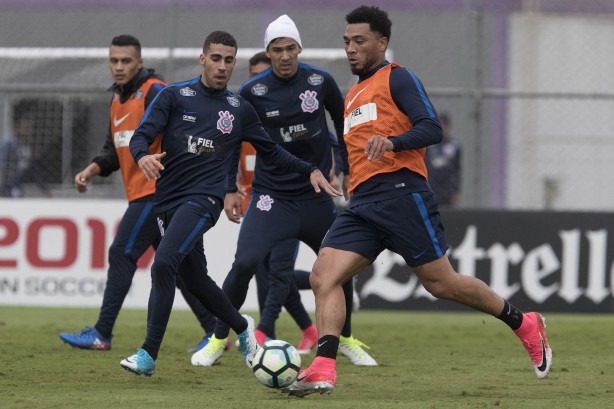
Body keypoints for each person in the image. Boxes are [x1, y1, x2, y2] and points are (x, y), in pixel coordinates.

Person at [284, 6, 552, 397]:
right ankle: (323, 368)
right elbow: (352, 145)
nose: (351, 49)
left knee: (441, 284)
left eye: (359, 41)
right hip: (362, 204)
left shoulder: (399, 78)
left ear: (382, 42)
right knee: (323, 275)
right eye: (346, 42)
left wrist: (393, 142)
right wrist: (341, 168)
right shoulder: (353, 94)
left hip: (401, 194)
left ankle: (524, 323)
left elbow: (430, 127)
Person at [122, 30, 339, 376]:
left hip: (204, 200)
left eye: (228, 60)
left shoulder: (239, 109)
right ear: (203, 58)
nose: (222, 66)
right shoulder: (174, 96)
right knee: (195, 279)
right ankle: (242, 329)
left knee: (164, 264)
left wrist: (310, 168)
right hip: (167, 201)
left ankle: (148, 354)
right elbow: (142, 136)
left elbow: (272, 151)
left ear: (233, 63)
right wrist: (142, 156)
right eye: (216, 58)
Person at [193, 15, 377, 368]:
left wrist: (349, 169)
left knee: (341, 268)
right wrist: (230, 188)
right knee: (245, 262)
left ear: (299, 49)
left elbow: (344, 125)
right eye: (276, 49)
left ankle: (346, 339)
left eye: (290, 48)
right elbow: (233, 144)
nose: (284, 55)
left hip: (316, 196)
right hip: (271, 197)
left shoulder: (319, 81)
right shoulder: (252, 91)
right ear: (268, 52)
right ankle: (219, 338)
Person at [58, 34, 224, 353]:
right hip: (147, 193)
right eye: (113, 61)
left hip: (159, 192)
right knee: (182, 269)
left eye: (126, 61)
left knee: (122, 252)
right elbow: (112, 150)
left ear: (140, 62)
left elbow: (184, 131)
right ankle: (214, 332)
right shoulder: (118, 100)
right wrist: (91, 170)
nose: (118, 67)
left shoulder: (155, 91)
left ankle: (102, 332)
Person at [236, 51, 318, 354]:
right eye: (254, 77)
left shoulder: (286, 117)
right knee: (264, 271)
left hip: (290, 201)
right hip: (259, 208)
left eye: (265, 75)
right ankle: (309, 330)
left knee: (279, 272)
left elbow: (324, 140)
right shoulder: (242, 119)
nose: (261, 82)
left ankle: (264, 328)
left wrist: (334, 167)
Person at [0, 113, 49, 198]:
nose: (28, 131)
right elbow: (2, 164)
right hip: (6, 182)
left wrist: (43, 188)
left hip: (16, 183)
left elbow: (31, 168)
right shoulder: (9, 143)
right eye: (25, 128)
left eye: (29, 129)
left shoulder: (25, 145)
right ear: (17, 129)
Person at [424, 112, 461, 206]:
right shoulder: (428, 145)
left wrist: (456, 190)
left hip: (447, 187)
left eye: (445, 125)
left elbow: (457, 170)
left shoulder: (454, 145)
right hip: (431, 186)